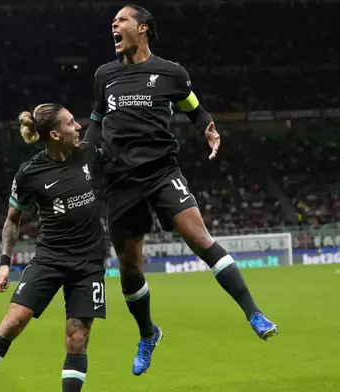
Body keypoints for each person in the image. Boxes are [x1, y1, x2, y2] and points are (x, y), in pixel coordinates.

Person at [83, 5, 278, 376]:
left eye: (121, 19)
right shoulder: (103, 75)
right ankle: (148, 333)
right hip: (120, 181)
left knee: (200, 238)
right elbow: (95, 124)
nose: (114, 24)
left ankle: (254, 313)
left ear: (142, 29)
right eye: (114, 21)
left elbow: (195, 109)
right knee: (129, 268)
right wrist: (83, 160)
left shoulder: (171, 74)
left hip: (161, 172)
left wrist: (208, 126)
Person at [0, 104, 107, 392]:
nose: (77, 126)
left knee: (78, 338)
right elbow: (12, 221)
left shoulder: (90, 154)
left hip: (89, 262)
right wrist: (5, 262)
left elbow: (117, 153)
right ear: (54, 134)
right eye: (70, 123)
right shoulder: (29, 173)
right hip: (50, 258)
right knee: (14, 322)